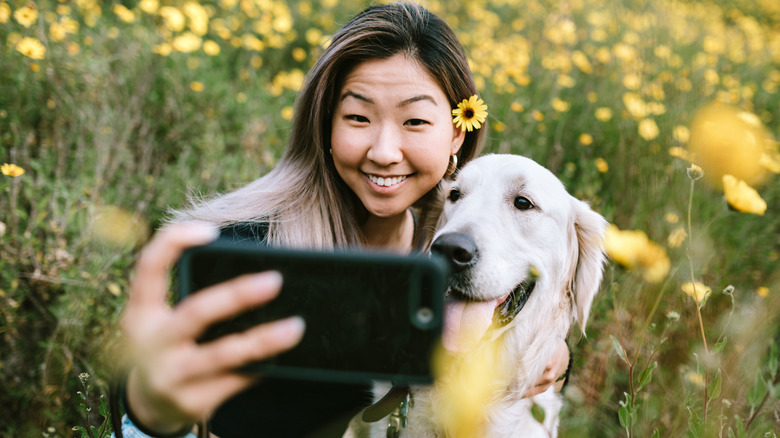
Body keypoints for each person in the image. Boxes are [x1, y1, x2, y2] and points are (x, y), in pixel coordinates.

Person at [113, 2, 571, 437]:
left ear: (456, 132)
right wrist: (151, 404)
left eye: (414, 121)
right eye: (357, 117)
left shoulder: (451, 237)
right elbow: (162, 395)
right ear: (326, 125)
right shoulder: (254, 252)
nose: (384, 152)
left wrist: (556, 356)